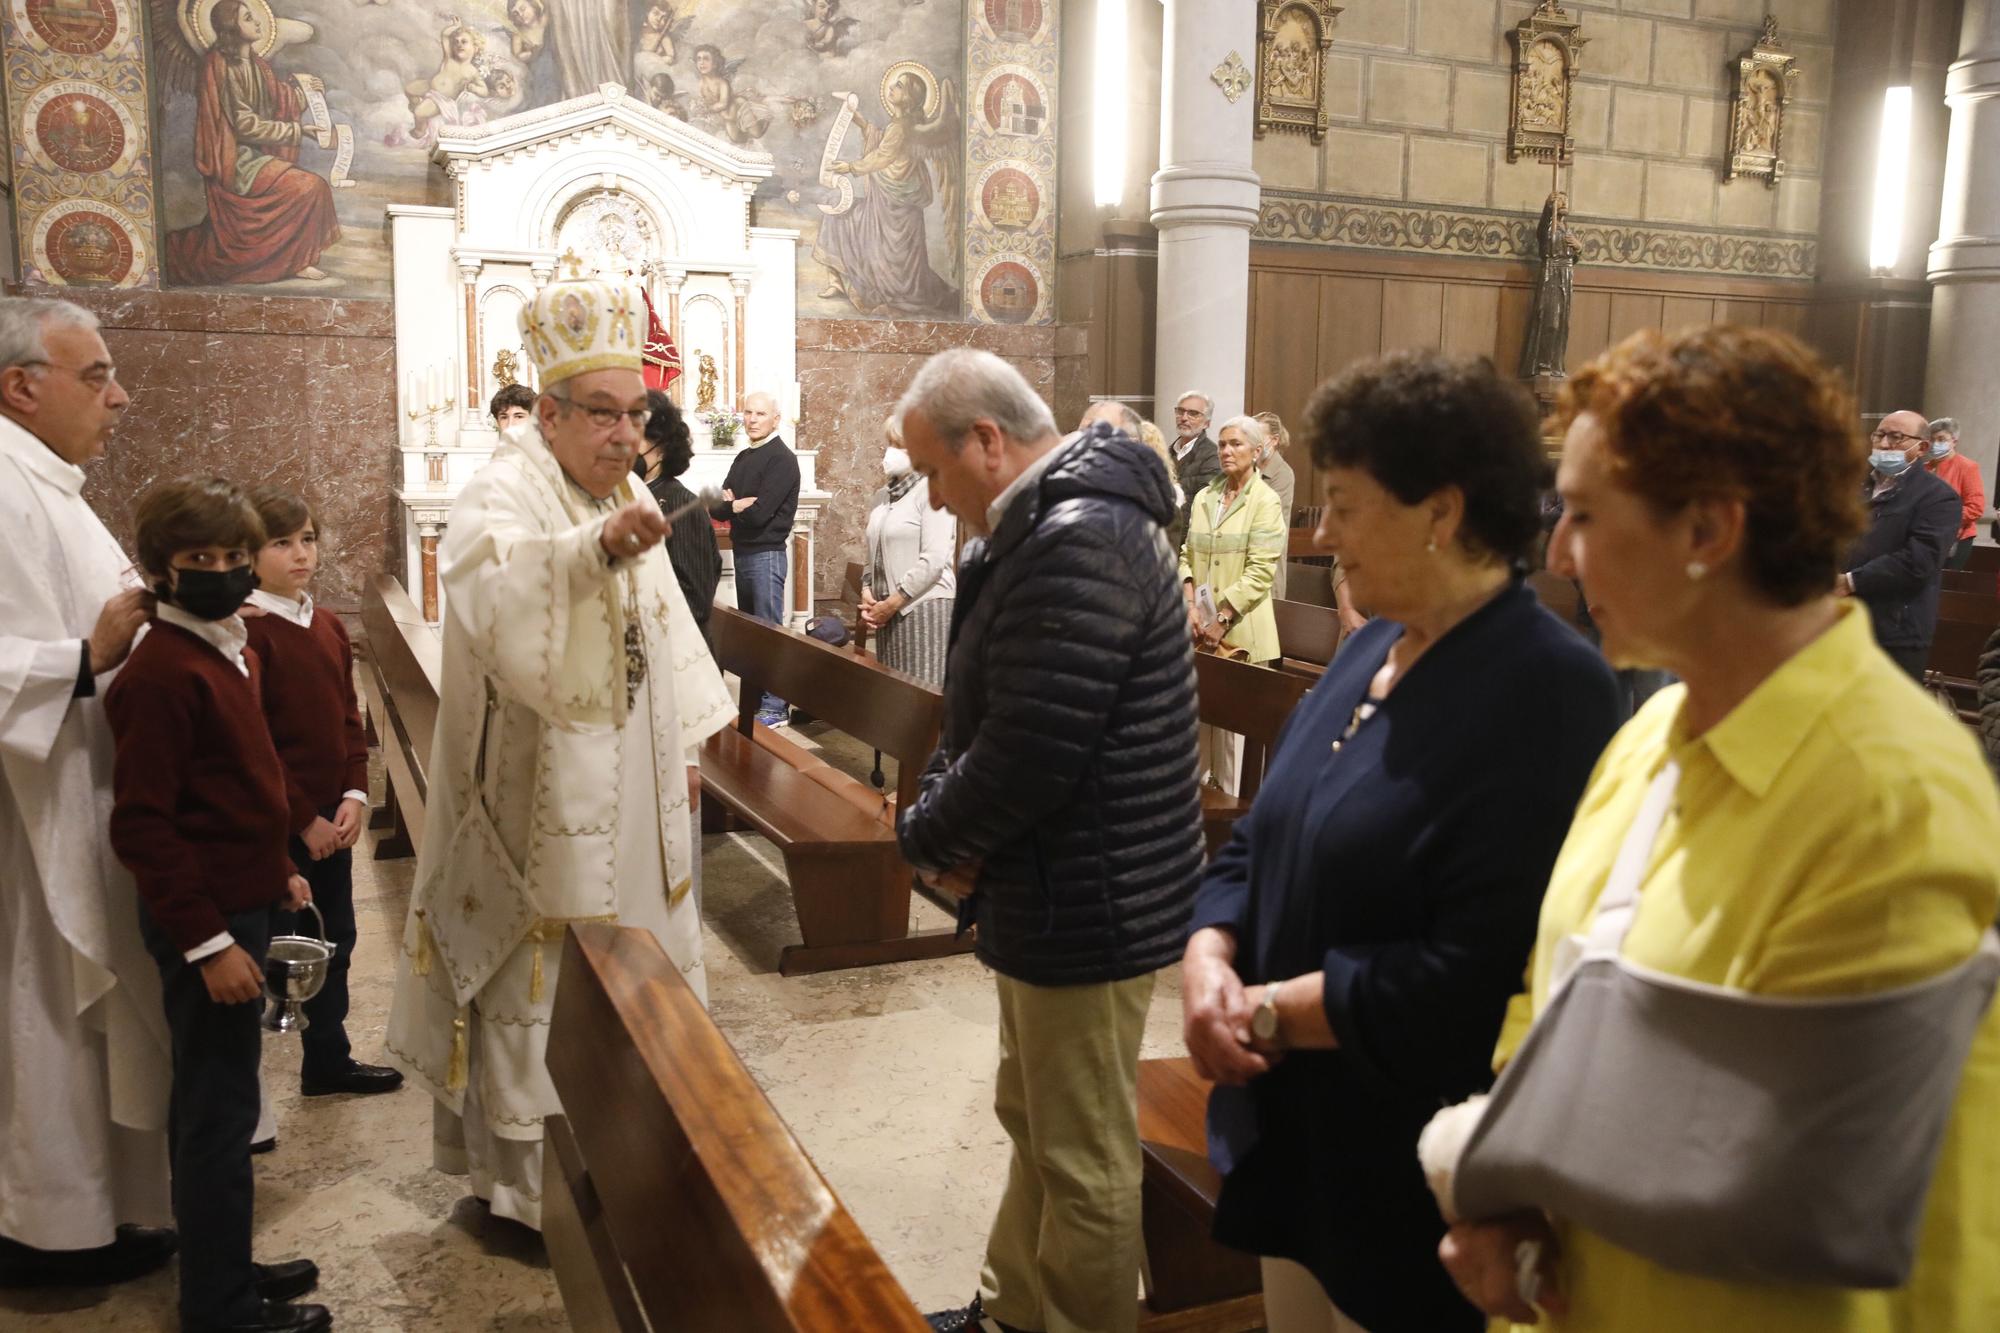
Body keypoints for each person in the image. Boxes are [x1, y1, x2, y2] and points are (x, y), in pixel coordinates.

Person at [1437, 325, 2000, 1333]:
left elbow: (1845, 1218)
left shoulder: (1888, 798)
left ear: (1706, 531)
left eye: (1582, 515)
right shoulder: (1650, 733)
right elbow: (1554, 993)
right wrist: (1508, 1198)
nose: (1557, 553)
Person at [1179, 353, 1622, 1333]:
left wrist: (1264, 1015)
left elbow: (1480, 966)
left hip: (1406, 1158)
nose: (1322, 533)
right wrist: (1207, 947)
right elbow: (1264, 831)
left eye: (1343, 504)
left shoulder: (1544, 685)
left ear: (1441, 511)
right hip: (1294, 1133)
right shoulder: (1371, 646)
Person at [385, 277, 733, 1232]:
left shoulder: (617, 485)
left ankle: (631, 1161)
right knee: (549, 975)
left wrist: (689, 750)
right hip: (539, 798)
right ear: (548, 410)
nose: (626, 436)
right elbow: (499, 600)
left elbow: (662, 630)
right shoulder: (504, 487)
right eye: (604, 415)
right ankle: (535, 1199)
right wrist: (590, 550)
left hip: (638, 794)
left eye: (637, 415)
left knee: (639, 961)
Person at [894, 351, 1203, 1333]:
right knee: (1034, 1116)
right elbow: (981, 715)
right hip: (1056, 882)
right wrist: (942, 812)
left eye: (934, 475)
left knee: (1082, 1154)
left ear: (986, 441)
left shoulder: (1081, 536)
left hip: (1089, 892)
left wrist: (924, 833)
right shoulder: (1046, 525)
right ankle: (1012, 1312)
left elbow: (1028, 750)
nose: (937, 505)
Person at [106, 477, 326, 1333]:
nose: (227, 572)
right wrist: (207, 942)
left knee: (227, 1103)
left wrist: (275, 866)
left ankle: (227, 1263)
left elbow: (237, 783)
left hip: (246, 898)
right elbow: (146, 826)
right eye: (202, 560)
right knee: (214, 1112)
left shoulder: (229, 643)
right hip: (208, 922)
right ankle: (219, 1305)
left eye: (237, 558)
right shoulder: (162, 671)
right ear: (160, 571)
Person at [0, 298, 177, 1288]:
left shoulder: (48, 483)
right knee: (49, 1003)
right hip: (34, 803)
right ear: (22, 385)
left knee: (95, 1006)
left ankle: (123, 1208)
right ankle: (50, 1229)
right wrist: (81, 658)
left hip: (87, 779)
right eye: (95, 374)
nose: (120, 394)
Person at [242, 486, 402, 1100]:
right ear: (247, 555)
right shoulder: (251, 634)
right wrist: (302, 816)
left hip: (331, 820)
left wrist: (356, 795)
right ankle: (249, 1089)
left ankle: (327, 1058)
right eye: (280, 543)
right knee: (270, 948)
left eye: (307, 539)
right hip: (278, 827)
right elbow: (252, 741)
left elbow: (346, 716)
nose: (300, 554)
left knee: (335, 937)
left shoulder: (327, 624)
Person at [165, 0, 340, 285]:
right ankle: (294, 259)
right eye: (248, 18)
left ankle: (296, 259)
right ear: (232, 27)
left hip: (253, 155)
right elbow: (245, 126)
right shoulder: (221, 65)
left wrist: (304, 91)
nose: (258, 22)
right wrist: (297, 132)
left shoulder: (256, 64)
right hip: (234, 158)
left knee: (311, 187)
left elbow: (276, 102)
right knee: (311, 187)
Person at [1180, 414, 1287, 797]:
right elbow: (1185, 554)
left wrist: (1222, 617)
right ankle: (1201, 821)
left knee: (1233, 747)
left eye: (1236, 444)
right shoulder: (1206, 496)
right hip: (1200, 627)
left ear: (1257, 452)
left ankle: (1232, 826)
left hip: (1241, 632)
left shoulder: (1265, 500)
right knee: (1199, 732)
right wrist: (1191, 604)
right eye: (1223, 443)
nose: (1226, 450)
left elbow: (1261, 572)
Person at [1837, 409, 1959, 679]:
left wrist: (1850, 581)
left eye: (1896, 437)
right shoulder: (1854, 489)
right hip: (1843, 625)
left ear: (1922, 447)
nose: (1883, 444)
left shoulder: (1939, 497)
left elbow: (1920, 560)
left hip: (1896, 631)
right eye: (1879, 435)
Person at [710, 390, 800, 727]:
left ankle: (776, 706)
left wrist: (734, 507)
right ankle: (756, 699)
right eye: (748, 413)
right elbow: (716, 505)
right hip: (745, 551)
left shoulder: (781, 459)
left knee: (768, 630)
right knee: (751, 633)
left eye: (760, 414)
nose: (752, 420)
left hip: (766, 554)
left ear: (775, 419)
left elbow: (761, 515)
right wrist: (735, 505)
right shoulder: (744, 457)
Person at [861, 418, 955, 685]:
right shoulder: (881, 496)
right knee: (894, 697)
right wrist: (867, 589)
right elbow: (871, 547)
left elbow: (934, 559)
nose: (891, 452)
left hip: (922, 609)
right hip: (886, 611)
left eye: (900, 446)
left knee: (921, 699)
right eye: (890, 444)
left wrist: (892, 603)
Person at [635, 389, 721, 650]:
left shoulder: (681, 503)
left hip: (676, 653)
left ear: (660, 448)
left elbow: (695, 598)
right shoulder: (629, 495)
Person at [1924, 416, 1986, 569]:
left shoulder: (1967, 467)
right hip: (1926, 535)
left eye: (1941, 439)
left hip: (1957, 537)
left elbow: (1975, 507)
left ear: (1954, 441)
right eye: (1932, 439)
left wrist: (1943, 517)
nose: (1935, 443)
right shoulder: (1924, 468)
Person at [1253, 411, 1298, 600]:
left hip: (1267, 564)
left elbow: (1265, 519)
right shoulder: (1248, 467)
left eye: (1258, 437)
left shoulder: (1282, 473)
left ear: (1274, 440)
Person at [1170, 390, 1222, 538]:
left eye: (1193, 413)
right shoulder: (1169, 452)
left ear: (1207, 423)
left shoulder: (1212, 455)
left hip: (1188, 537)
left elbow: (1204, 504)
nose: (1184, 418)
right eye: (1180, 411)